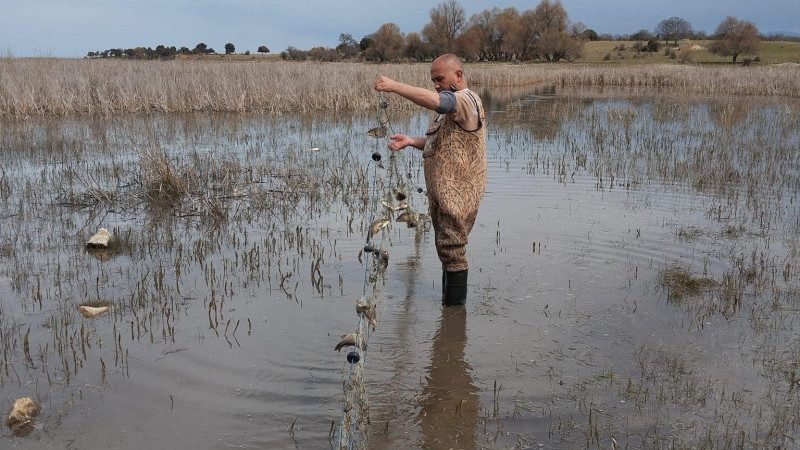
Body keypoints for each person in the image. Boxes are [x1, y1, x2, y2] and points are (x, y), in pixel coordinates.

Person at [374, 54, 487, 306]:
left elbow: (439, 101)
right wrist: (412, 141)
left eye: (439, 78)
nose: (436, 84)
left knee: (454, 252)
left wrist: (394, 86)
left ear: (458, 75)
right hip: (442, 196)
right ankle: (450, 312)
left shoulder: (466, 100)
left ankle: (454, 316)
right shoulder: (450, 111)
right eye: (433, 80)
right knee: (447, 251)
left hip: (458, 196)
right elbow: (444, 144)